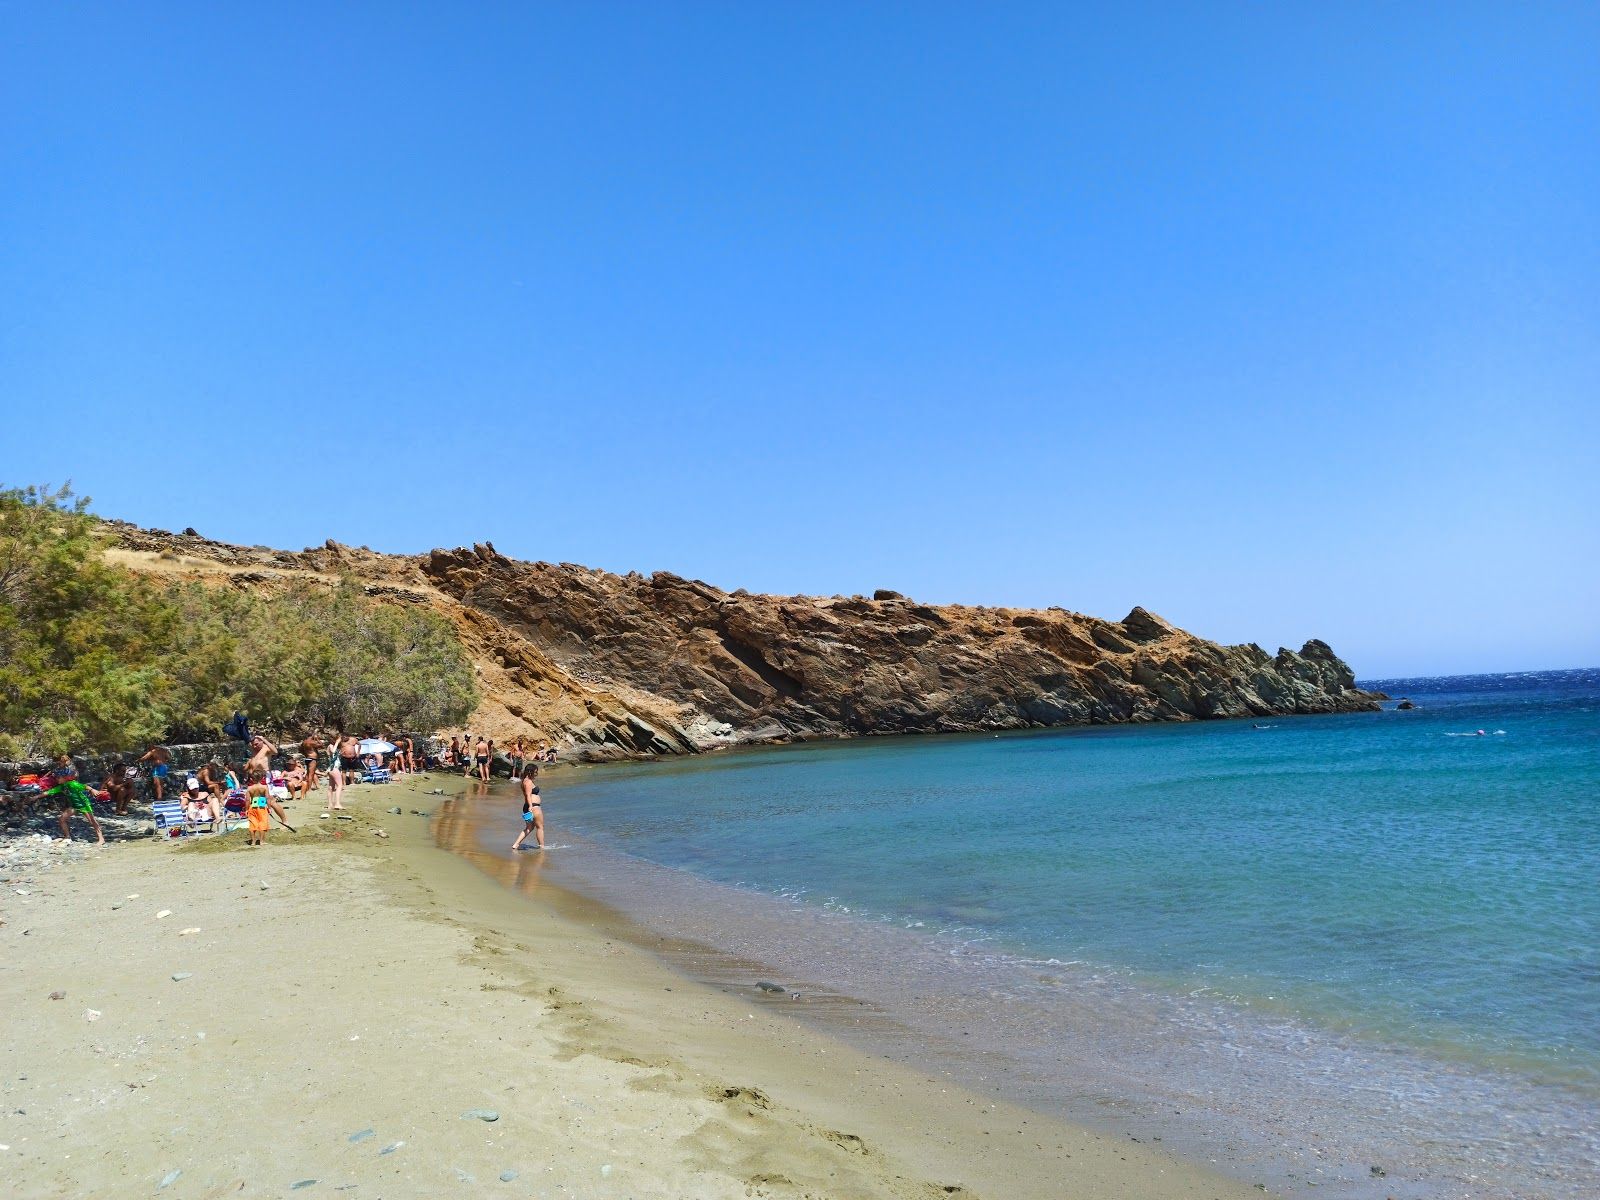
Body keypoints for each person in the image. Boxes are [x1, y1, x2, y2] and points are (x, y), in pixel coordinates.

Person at [48, 755, 105, 845]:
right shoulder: (62, 786)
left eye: (58, 778)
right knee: (62, 818)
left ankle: (101, 839)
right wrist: (34, 797)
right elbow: (49, 792)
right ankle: (67, 836)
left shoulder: (72, 784)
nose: (57, 779)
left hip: (83, 804)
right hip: (74, 806)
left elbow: (85, 786)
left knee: (92, 821)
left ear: (64, 778)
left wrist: (93, 790)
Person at [511, 770, 545, 851]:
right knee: (540, 827)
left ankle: (516, 844)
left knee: (529, 828)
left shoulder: (524, 781)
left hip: (529, 806)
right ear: (530, 772)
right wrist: (530, 806)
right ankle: (542, 846)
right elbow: (528, 795)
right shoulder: (528, 782)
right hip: (533, 806)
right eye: (535, 771)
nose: (536, 773)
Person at [244, 769, 272, 847]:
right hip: (262, 807)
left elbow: (247, 800)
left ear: (252, 778)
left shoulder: (249, 788)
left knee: (252, 824)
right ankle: (261, 841)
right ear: (262, 778)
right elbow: (268, 798)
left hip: (252, 807)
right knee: (262, 823)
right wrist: (269, 807)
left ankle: (253, 841)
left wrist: (246, 809)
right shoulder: (264, 787)